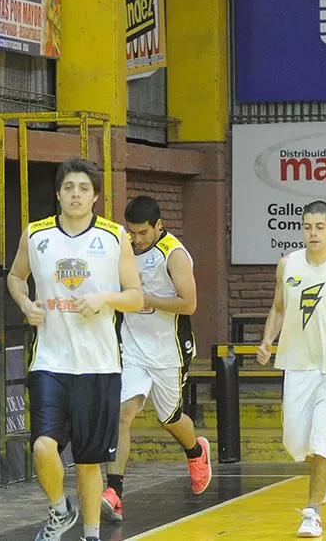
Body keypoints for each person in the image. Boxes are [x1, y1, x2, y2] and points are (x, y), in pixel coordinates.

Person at [7, 157, 143, 541]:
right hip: (50, 360)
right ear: (58, 194)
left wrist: (104, 297)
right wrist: (25, 304)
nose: (76, 194)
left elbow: (136, 296)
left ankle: (91, 533)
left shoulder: (115, 236)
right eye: (69, 188)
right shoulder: (36, 235)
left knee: (88, 460)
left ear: (96, 195)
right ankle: (58, 510)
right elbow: (17, 277)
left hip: (99, 364)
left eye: (84, 188)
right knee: (42, 447)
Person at [256, 200, 326, 538]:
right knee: (296, 442)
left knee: (323, 439)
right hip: (297, 363)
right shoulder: (287, 264)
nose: (313, 233)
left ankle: (313, 511)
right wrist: (267, 341)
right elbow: (278, 309)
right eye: (308, 227)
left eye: (320, 227)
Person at [100, 196, 211, 523]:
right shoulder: (122, 248)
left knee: (170, 418)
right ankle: (114, 491)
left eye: (142, 233)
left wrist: (147, 299)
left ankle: (195, 451)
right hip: (133, 347)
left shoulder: (173, 254)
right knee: (123, 413)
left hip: (169, 350)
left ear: (158, 225)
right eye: (131, 232)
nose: (136, 239)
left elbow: (189, 304)